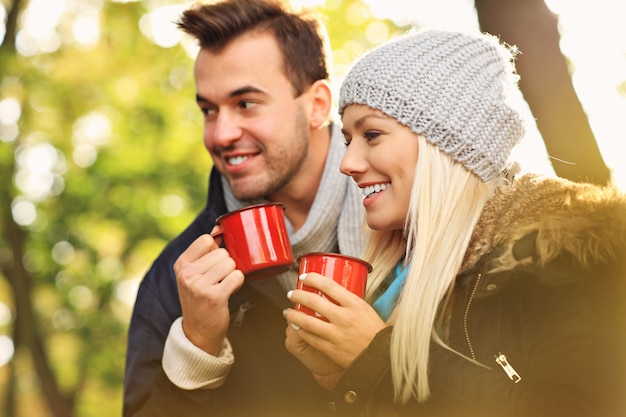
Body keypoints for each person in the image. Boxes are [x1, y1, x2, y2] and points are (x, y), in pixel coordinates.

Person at [284, 28, 626, 416]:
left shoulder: (565, 259)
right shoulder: (393, 278)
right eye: (348, 140)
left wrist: (378, 359)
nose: (347, 163)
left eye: (373, 134)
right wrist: (338, 381)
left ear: (446, 144)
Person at [123, 0, 364, 416]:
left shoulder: (411, 224)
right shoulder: (176, 278)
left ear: (318, 105)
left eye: (246, 103)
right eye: (208, 110)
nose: (221, 134)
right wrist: (196, 345)